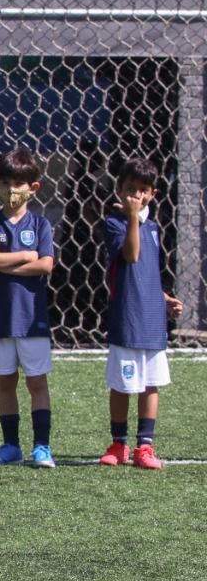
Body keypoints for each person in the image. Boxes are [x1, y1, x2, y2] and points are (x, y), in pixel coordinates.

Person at [99, 158, 183, 470]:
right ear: (119, 189)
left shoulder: (154, 228)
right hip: (127, 318)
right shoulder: (116, 223)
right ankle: (118, 443)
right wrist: (133, 217)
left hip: (151, 320)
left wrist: (164, 299)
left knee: (151, 384)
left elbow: (147, 273)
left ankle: (144, 447)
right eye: (130, 189)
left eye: (143, 190)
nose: (136, 195)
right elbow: (131, 256)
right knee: (122, 384)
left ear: (153, 193)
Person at [0, 149, 57, 469]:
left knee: (37, 382)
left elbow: (46, 265)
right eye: (6, 182)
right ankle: (11, 445)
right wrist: (25, 256)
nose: (12, 189)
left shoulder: (40, 224)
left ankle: (42, 446)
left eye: (18, 183)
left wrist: (2, 263)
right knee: (5, 382)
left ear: (33, 188)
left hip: (32, 320)